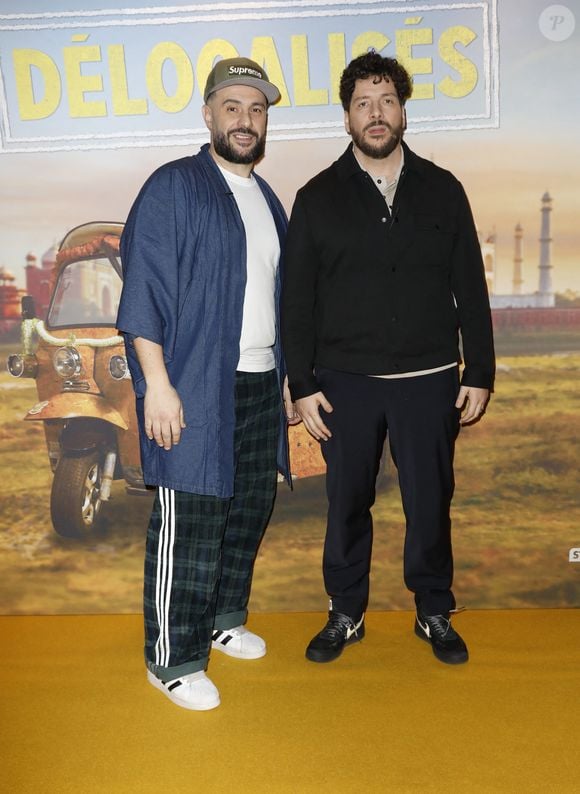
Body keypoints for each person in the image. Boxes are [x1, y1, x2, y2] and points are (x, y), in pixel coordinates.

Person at [281, 52, 495, 666]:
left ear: (403, 109)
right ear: (347, 117)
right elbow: (297, 303)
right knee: (347, 502)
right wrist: (301, 384)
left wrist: (477, 369)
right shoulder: (317, 197)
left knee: (430, 501)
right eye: (362, 103)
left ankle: (433, 609)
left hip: (429, 382)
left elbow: (469, 287)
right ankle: (345, 613)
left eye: (387, 101)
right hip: (344, 385)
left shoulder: (444, 190)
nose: (376, 114)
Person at [117, 57, 298, 710]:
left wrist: (283, 378)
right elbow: (144, 293)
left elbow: (275, 300)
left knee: (246, 510)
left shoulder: (265, 198)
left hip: (257, 380)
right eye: (232, 107)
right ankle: (172, 659)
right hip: (193, 384)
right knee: (189, 518)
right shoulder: (174, 187)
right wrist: (157, 386)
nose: (245, 120)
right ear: (208, 115)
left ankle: (223, 620)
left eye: (257, 109)